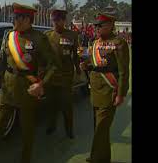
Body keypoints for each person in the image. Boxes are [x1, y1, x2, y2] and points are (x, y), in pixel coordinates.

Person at [0, 2, 61, 163]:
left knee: (27, 130)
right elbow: (1, 57)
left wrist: (41, 84)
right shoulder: (10, 36)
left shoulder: (39, 38)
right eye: (13, 17)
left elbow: (53, 65)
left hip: (27, 90)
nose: (13, 21)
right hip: (7, 88)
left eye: (17, 18)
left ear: (27, 19)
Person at [80, 13, 130, 163]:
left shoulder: (118, 43)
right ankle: (102, 157)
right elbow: (93, 63)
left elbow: (123, 71)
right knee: (99, 128)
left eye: (99, 25)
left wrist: (121, 94)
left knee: (101, 128)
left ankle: (96, 158)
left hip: (109, 91)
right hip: (95, 91)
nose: (96, 28)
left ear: (109, 25)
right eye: (95, 26)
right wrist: (86, 65)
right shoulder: (95, 43)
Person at [44, 9, 81, 139]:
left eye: (57, 20)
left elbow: (75, 55)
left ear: (63, 21)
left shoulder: (72, 35)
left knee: (66, 105)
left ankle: (69, 129)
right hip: (51, 77)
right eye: (53, 20)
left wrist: (78, 69)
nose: (54, 23)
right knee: (50, 104)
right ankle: (51, 125)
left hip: (66, 76)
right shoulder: (47, 35)